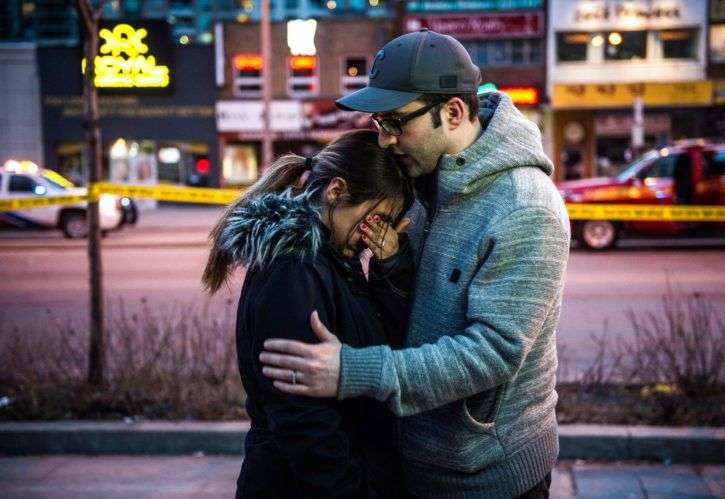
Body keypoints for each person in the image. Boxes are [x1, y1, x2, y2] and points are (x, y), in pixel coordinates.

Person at [259, 29, 571, 499]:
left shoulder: (525, 207)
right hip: (417, 464)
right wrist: (395, 264)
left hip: (485, 477)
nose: (384, 141)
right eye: (379, 123)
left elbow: (492, 353)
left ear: (453, 112)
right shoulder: (426, 180)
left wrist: (354, 371)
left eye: (395, 122)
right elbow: (430, 304)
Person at [202, 130, 414, 499]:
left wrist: (390, 266)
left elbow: (391, 341)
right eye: (377, 216)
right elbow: (302, 420)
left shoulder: (333, 262)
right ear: (336, 191)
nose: (375, 233)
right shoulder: (293, 270)